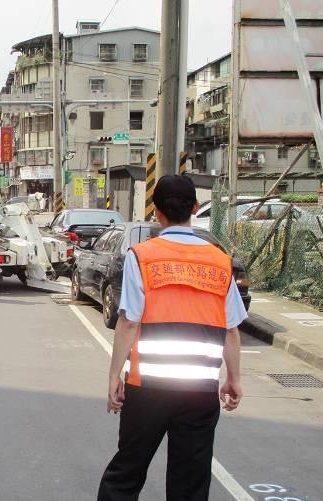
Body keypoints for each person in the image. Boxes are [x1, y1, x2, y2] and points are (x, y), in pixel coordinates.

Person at [97, 175, 247, 501]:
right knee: (190, 484)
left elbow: (128, 323)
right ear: (195, 208)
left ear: (156, 212)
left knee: (126, 472)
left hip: (147, 387)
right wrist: (233, 379)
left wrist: (113, 376)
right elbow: (231, 329)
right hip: (199, 391)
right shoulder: (220, 263)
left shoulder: (142, 256)